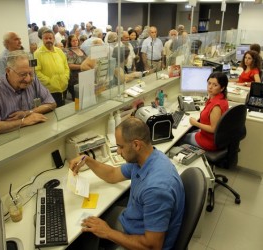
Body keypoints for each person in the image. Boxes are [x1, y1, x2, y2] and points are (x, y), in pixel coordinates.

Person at [69, 117, 185, 250]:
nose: (118, 151)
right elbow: (112, 174)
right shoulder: (146, 158)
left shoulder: (157, 189)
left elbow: (152, 247)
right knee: (87, 227)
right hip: (134, 222)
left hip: (143, 242)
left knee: (83, 235)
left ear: (136, 145)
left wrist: (108, 232)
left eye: (120, 146)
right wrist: (88, 160)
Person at [0, 50, 56, 138]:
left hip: (35, 135)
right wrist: (24, 121)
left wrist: (28, 112)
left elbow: (52, 103)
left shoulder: (34, 81)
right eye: (22, 74)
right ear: (8, 71)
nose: (28, 79)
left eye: (30, 73)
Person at [182, 72, 229, 151]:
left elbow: (213, 129)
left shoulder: (216, 106)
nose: (210, 87)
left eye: (215, 85)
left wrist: (195, 123)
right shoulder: (220, 98)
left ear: (222, 88)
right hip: (214, 138)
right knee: (190, 132)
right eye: (209, 83)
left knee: (182, 139)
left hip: (209, 141)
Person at [34, 29, 69, 107]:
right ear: (42, 39)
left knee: (63, 108)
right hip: (50, 90)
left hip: (63, 86)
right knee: (53, 112)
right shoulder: (37, 53)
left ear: (54, 39)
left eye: (50, 38)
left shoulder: (59, 51)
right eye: (46, 38)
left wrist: (66, 77)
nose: (48, 40)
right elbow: (36, 71)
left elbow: (66, 66)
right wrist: (49, 81)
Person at [65, 34, 87, 101]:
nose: (75, 42)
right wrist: (81, 66)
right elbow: (69, 65)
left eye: (76, 40)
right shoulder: (69, 52)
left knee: (84, 98)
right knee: (77, 100)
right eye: (73, 41)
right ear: (70, 42)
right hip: (74, 80)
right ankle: (77, 110)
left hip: (84, 78)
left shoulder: (82, 50)